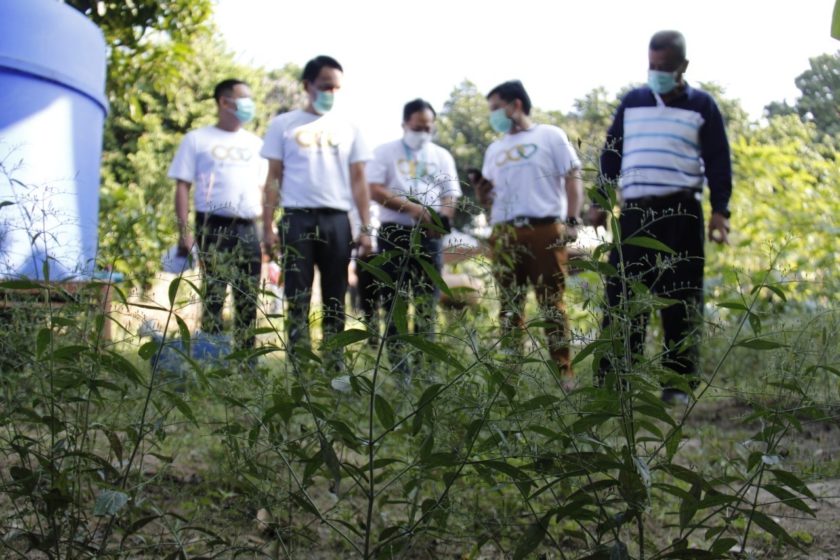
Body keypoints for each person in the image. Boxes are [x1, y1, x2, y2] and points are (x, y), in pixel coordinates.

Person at [591, 30, 732, 404]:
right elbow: (611, 154)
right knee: (622, 294)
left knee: (681, 296)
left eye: (665, 67)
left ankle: (678, 384)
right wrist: (600, 201)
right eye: (652, 66)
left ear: (683, 66)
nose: (657, 73)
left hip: (681, 212)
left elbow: (718, 160)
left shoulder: (702, 106)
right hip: (635, 212)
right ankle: (616, 379)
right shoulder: (632, 102)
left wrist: (720, 211)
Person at [261, 55, 372, 367]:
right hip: (297, 218)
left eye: (336, 88)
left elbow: (359, 181)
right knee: (296, 294)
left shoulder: (350, 127)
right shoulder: (283, 125)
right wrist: (267, 226)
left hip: (337, 219)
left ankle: (334, 364)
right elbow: (273, 178)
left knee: (336, 294)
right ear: (307, 85)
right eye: (325, 86)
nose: (331, 93)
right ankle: (299, 364)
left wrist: (365, 229)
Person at [480, 80, 583, 382]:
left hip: (544, 229)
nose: (493, 115)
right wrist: (482, 195)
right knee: (509, 305)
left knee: (552, 302)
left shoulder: (550, 135)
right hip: (505, 232)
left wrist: (573, 220)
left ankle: (564, 372)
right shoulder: (495, 149)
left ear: (516, 105)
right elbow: (489, 198)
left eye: (496, 108)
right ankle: (510, 376)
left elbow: (573, 176)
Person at [168, 78, 266, 351]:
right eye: (244, 98)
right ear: (224, 101)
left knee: (248, 294)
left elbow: (264, 190)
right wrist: (184, 233)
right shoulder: (197, 139)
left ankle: (246, 359)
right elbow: (182, 186)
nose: (249, 104)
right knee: (213, 292)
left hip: (248, 227)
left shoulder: (256, 144)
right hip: (211, 225)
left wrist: (268, 229)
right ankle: (211, 356)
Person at [367, 98, 462, 378]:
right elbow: (374, 189)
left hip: (429, 236)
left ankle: (424, 370)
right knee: (394, 302)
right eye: (418, 127)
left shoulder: (442, 155)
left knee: (426, 303)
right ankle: (400, 371)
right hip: (394, 233)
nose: (423, 132)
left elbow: (450, 195)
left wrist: (442, 220)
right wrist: (413, 209)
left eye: (428, 128)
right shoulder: (385, 152)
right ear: (405, 124)